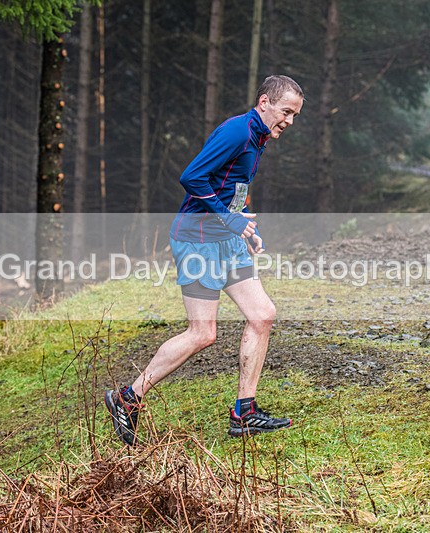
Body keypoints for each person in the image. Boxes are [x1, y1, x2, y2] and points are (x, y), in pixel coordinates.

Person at [105, 75, 304, 446]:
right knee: (203, 333)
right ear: (265, 102)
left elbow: (232, 185)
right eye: (286, 112)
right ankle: (127, 398)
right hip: (197, 241)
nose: (289, 121)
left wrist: (245, 227)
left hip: (226, 239)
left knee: (262, 315)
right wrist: (227, 219)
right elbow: (192, 176)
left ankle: (244, 413)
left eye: (295, 115)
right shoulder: (236, 132)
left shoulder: (257, 137)